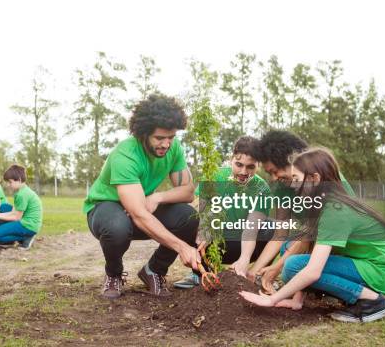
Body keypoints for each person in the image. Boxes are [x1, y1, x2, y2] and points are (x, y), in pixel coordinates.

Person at [239, 147, 385, 323]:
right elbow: (310, 246)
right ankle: (352, 294)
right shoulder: (323, 201)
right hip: (365, 263)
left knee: (293, 266)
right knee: (292, 256)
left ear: (314, 179)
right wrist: (296, 300)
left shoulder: (335, 209)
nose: (293, 185)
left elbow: (313, 271)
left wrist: (271, 299)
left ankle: (373, 302)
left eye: (296, 179)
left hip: (379, 271)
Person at [84, 93, 200, 299]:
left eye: (171, 137)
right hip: (105, 208)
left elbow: (188, 192)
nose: (166, 144)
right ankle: (114, 274)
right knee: (117, 227)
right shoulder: (126, 154)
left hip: (142, 206)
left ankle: (153, 271)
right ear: (143, 134)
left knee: (188, 217)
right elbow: (138, 214)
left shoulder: (174, 149)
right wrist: (182, 247)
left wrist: (157, 197)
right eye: (159, 138)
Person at [236, 130, 356, 293]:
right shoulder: (281, 187)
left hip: (339, 248)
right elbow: (280, 234)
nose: (273, 178)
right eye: (269, 173)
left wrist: (277, 267)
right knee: (287, 247)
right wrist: (253, 271)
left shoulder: (323, 179)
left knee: (292, 262)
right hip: (312, 241)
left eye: (275, 171)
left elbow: (311, 236)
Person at [173, 136, 272, 289]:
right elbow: (199, 206)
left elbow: (252, 229)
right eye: (239, 164)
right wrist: (207, 225)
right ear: (231, 158)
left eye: (250, 167)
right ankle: (200, 274)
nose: (243, 172)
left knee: (271, 228)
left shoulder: (262, 189)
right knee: (189, 219)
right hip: (213, 243)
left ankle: (257, 274)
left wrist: (244, 259)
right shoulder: (214, 176)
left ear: (258, 165)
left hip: (243, 245)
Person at [0, 164, 42, 250]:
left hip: (29, 225)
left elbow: (16, 218)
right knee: (3, 207)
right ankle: (21, 236)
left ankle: (25, 237)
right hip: (27, 222)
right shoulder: (21, 191)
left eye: (10, 182)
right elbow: (13, 212)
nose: (8, 185)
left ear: (19, 180)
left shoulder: (22, 194)